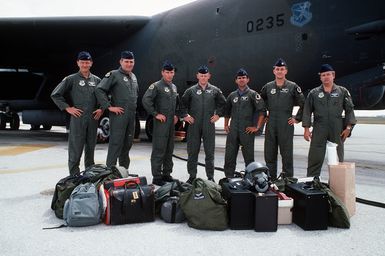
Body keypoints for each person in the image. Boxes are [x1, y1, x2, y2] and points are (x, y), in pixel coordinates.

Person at [51, 51, 103, 175]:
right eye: (82, 62)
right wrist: (68, 108)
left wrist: (101, 108)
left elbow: (105, 96)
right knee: (76, 149)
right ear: (78, 63)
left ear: (91, 63)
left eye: (87, 62)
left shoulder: (97, 80)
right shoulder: (71, 79)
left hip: (92, 118)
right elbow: (55, 95)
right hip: (78, 117)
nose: (85, 65)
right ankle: (74, 177)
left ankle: (90, 176)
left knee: (90, 148)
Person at [302, 64, 357, 177]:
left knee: (337, 158)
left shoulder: (342, 91)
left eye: (328, 74)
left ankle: (338, 183)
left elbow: (349, 110)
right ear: (320, 77)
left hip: (336, 128)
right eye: (323, 75)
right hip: (319, 127)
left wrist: (348, 127)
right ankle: (312, 182)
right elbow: (307, 111)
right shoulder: (314, 93)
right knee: (315, 157)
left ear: (333, 75)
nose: (326, 77)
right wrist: (306, 129)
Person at [260, 58, 305, 180]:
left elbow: (303, 103)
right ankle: (271, 181)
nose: (280, 71)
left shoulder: (292, 87)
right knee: (269, 155)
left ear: (286, 71)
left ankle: (288, 181)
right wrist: (264, 114)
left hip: (286, 123)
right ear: (274, 71)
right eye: (277, 69)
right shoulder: (268, 87)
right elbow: (260, 102)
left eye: (282, 69)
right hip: (271, 123)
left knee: (287, 155)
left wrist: (297, 118)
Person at [181, 65, 226, 183]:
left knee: (209, 153)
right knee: (192, 152)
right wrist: (185, 116)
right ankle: (192, 177)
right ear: (197, 76)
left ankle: (210, 177)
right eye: (201, 76)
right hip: (194, 125)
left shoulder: (215, 90)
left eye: (205, 76)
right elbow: (182, 105)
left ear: (209, 76)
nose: (203, 78)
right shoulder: (190, 91)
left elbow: (224, 104)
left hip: (208, 124)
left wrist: (218, 115)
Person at [95, 51, 138, 171]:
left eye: (131, 62)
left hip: (131, 116)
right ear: (121, 62)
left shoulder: (133, 77)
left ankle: (123, 172)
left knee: (127, 145)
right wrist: (108, 107)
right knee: (116, 144)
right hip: (119, 115)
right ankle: (110, 173)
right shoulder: (114, 74)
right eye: (126, 61)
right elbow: (99, 90)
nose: (129, 64)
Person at [142, 61, 179, 186]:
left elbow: (176, 103)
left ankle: (166, 174)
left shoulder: (174, 87)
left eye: (171, 72)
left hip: (170, 124)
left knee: (169, 149)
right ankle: (157, 177)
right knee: (159, 149)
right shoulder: (156, 86)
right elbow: (146, 100)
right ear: (162, 72)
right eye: (167, 72)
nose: (169, 75)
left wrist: (175, 115)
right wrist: (155, 113)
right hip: (161, 123)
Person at [223, 68, 265, 178]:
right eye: (239, 78)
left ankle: (250, 179)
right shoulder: (232, 96)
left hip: (247, 130)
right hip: (233, 130)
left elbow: (262, 111)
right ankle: (229, 178)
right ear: (236, 80)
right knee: (229, 156)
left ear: (248, 80)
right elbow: (227, 111)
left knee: (249, 158)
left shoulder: (253, 94)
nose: (241, 80)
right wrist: (226, 124)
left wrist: (257, 127)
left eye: (243, 78)